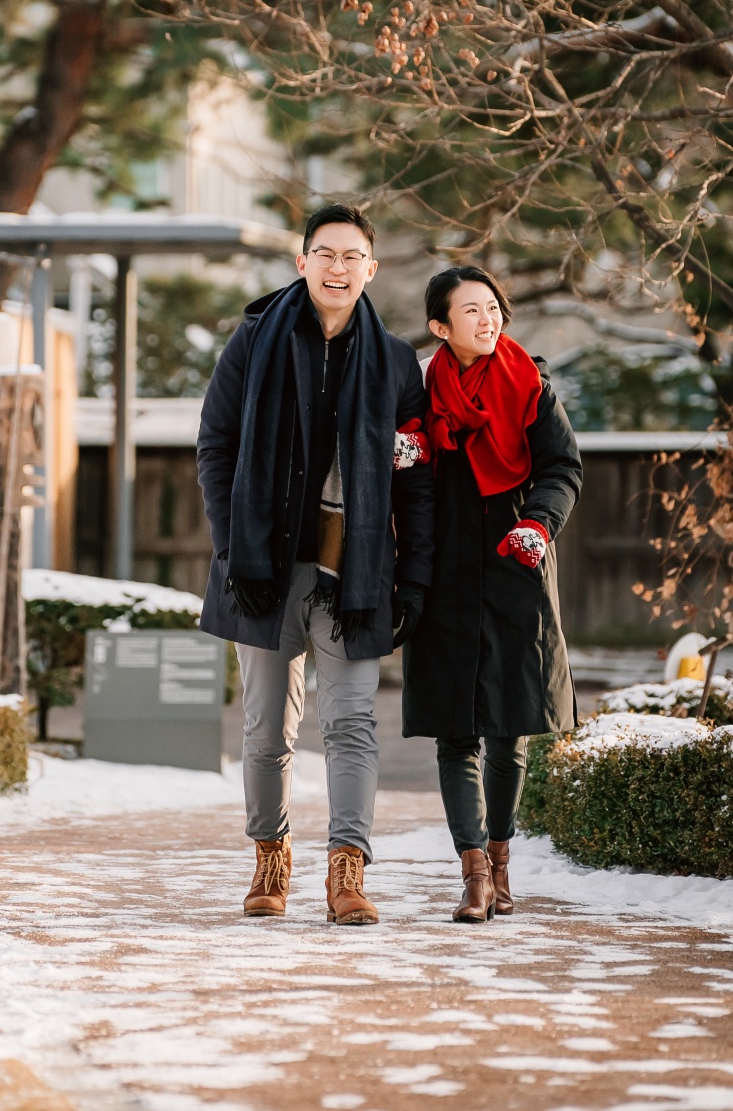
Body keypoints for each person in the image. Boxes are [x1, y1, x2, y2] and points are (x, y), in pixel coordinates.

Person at [197, 202, 435, 926]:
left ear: (371, 268)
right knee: (268, 728)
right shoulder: (251, 343)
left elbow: (417, 476)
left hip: (353, 573)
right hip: (263, 569)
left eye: (351, 256)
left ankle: (346, 870)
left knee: (353, 724)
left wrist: (413, 577)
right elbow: (216, 447)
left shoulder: (396, 362)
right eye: (324, 254)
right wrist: (235, 550)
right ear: (302, 263)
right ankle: (271, 856)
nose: (338, 267)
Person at [406, 266, 582, 923]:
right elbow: (404, 463)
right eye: (471, 310)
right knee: (456, 732)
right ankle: (474, 873)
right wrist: (408, 452)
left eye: (493, 307)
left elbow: (564, 466)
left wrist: (538, 522)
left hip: (516, 565)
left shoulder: (530, 383)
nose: (488, 319)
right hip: (445, 571)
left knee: (510, 728)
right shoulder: (419, 389)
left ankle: (502, 864)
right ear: (439, 327)